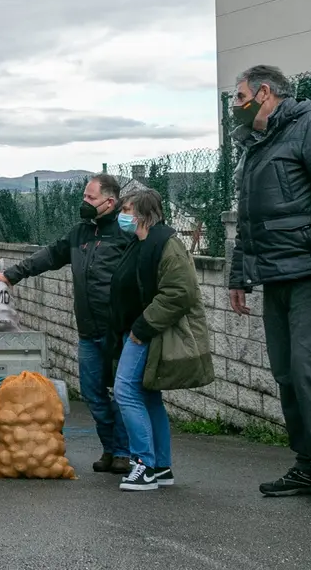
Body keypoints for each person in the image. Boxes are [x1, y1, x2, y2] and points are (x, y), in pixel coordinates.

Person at [228, 65, 311, 507]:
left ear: (264, 93)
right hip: (277, 275)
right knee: (287, 374)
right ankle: (307, 464)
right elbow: (248, 218)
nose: (234, 105)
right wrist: (238, 276)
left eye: (239, 96)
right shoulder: (257, 144)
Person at [0, 173, 133, 475]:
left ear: (110, 202)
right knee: (93, 393)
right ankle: (109, 449)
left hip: (120, 330)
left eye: (90, 198)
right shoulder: (80, 232)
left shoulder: (126, 233)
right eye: (84, 196)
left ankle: (123, 452)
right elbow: (51, 255)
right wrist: (12, 275)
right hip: (88, 330)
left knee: (121, 393)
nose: (85, 202)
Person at [112, 188, 208, 491]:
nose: (122, 215)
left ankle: (143, 465)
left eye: (127, 209)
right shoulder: (140, 243)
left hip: (145, 333)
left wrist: (141, 328)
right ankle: (160, 467)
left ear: (143, 215)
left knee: (125, 391)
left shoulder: (167, 244)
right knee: (148, 396)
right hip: (139, 330)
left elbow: (181, 292)